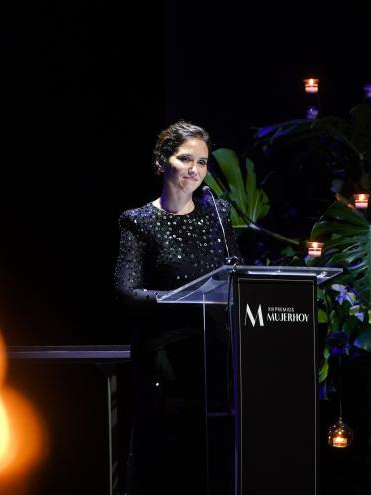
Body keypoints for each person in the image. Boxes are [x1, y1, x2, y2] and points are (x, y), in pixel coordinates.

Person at [114, 120, 240, 494]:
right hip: (164, 355)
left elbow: (235, 278)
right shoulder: (138, 221)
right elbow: (126, 292)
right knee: (166, 456)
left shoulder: (218, 215)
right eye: (185, 158)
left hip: (214, 353)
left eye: (201, 163)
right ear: (161, 162)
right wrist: (177, 298)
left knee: (209, 458)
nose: (194, 170)